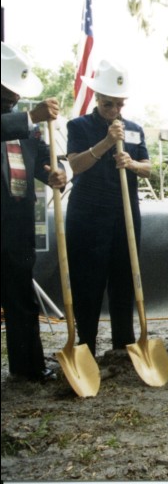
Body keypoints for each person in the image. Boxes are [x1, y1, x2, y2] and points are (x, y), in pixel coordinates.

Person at [65, 59, 150, 358]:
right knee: (88, 280)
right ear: (97, 100)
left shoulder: (135, 130)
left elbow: (148, 168)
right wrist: (106, 143)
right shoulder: (78, 126)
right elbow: (75, 166)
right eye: (108, 105)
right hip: (87, 214)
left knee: (125, 278)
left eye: (119, 105)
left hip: (124, 214)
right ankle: (86, 344)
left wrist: (132, 163)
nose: (114, 111)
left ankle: (123, 345)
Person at [1, 42, 66, 381]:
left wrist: (55, 173)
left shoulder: (27, 125)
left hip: (17, 225)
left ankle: (28, 369)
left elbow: (44, 160)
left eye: (15, 93)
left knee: (21, 297)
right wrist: (28, 116)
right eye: (8, 90)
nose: (13, 97)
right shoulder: (20, 119)